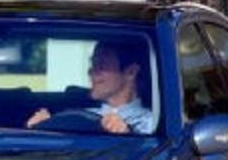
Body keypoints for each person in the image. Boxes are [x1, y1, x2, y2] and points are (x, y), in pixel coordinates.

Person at [26, 38, 155, 134]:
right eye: (93, 63)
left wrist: (128, 135)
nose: (91, 71)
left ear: (131, 72)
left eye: (102, 64)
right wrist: (39, 129)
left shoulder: (151, 124)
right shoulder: (81, 116)